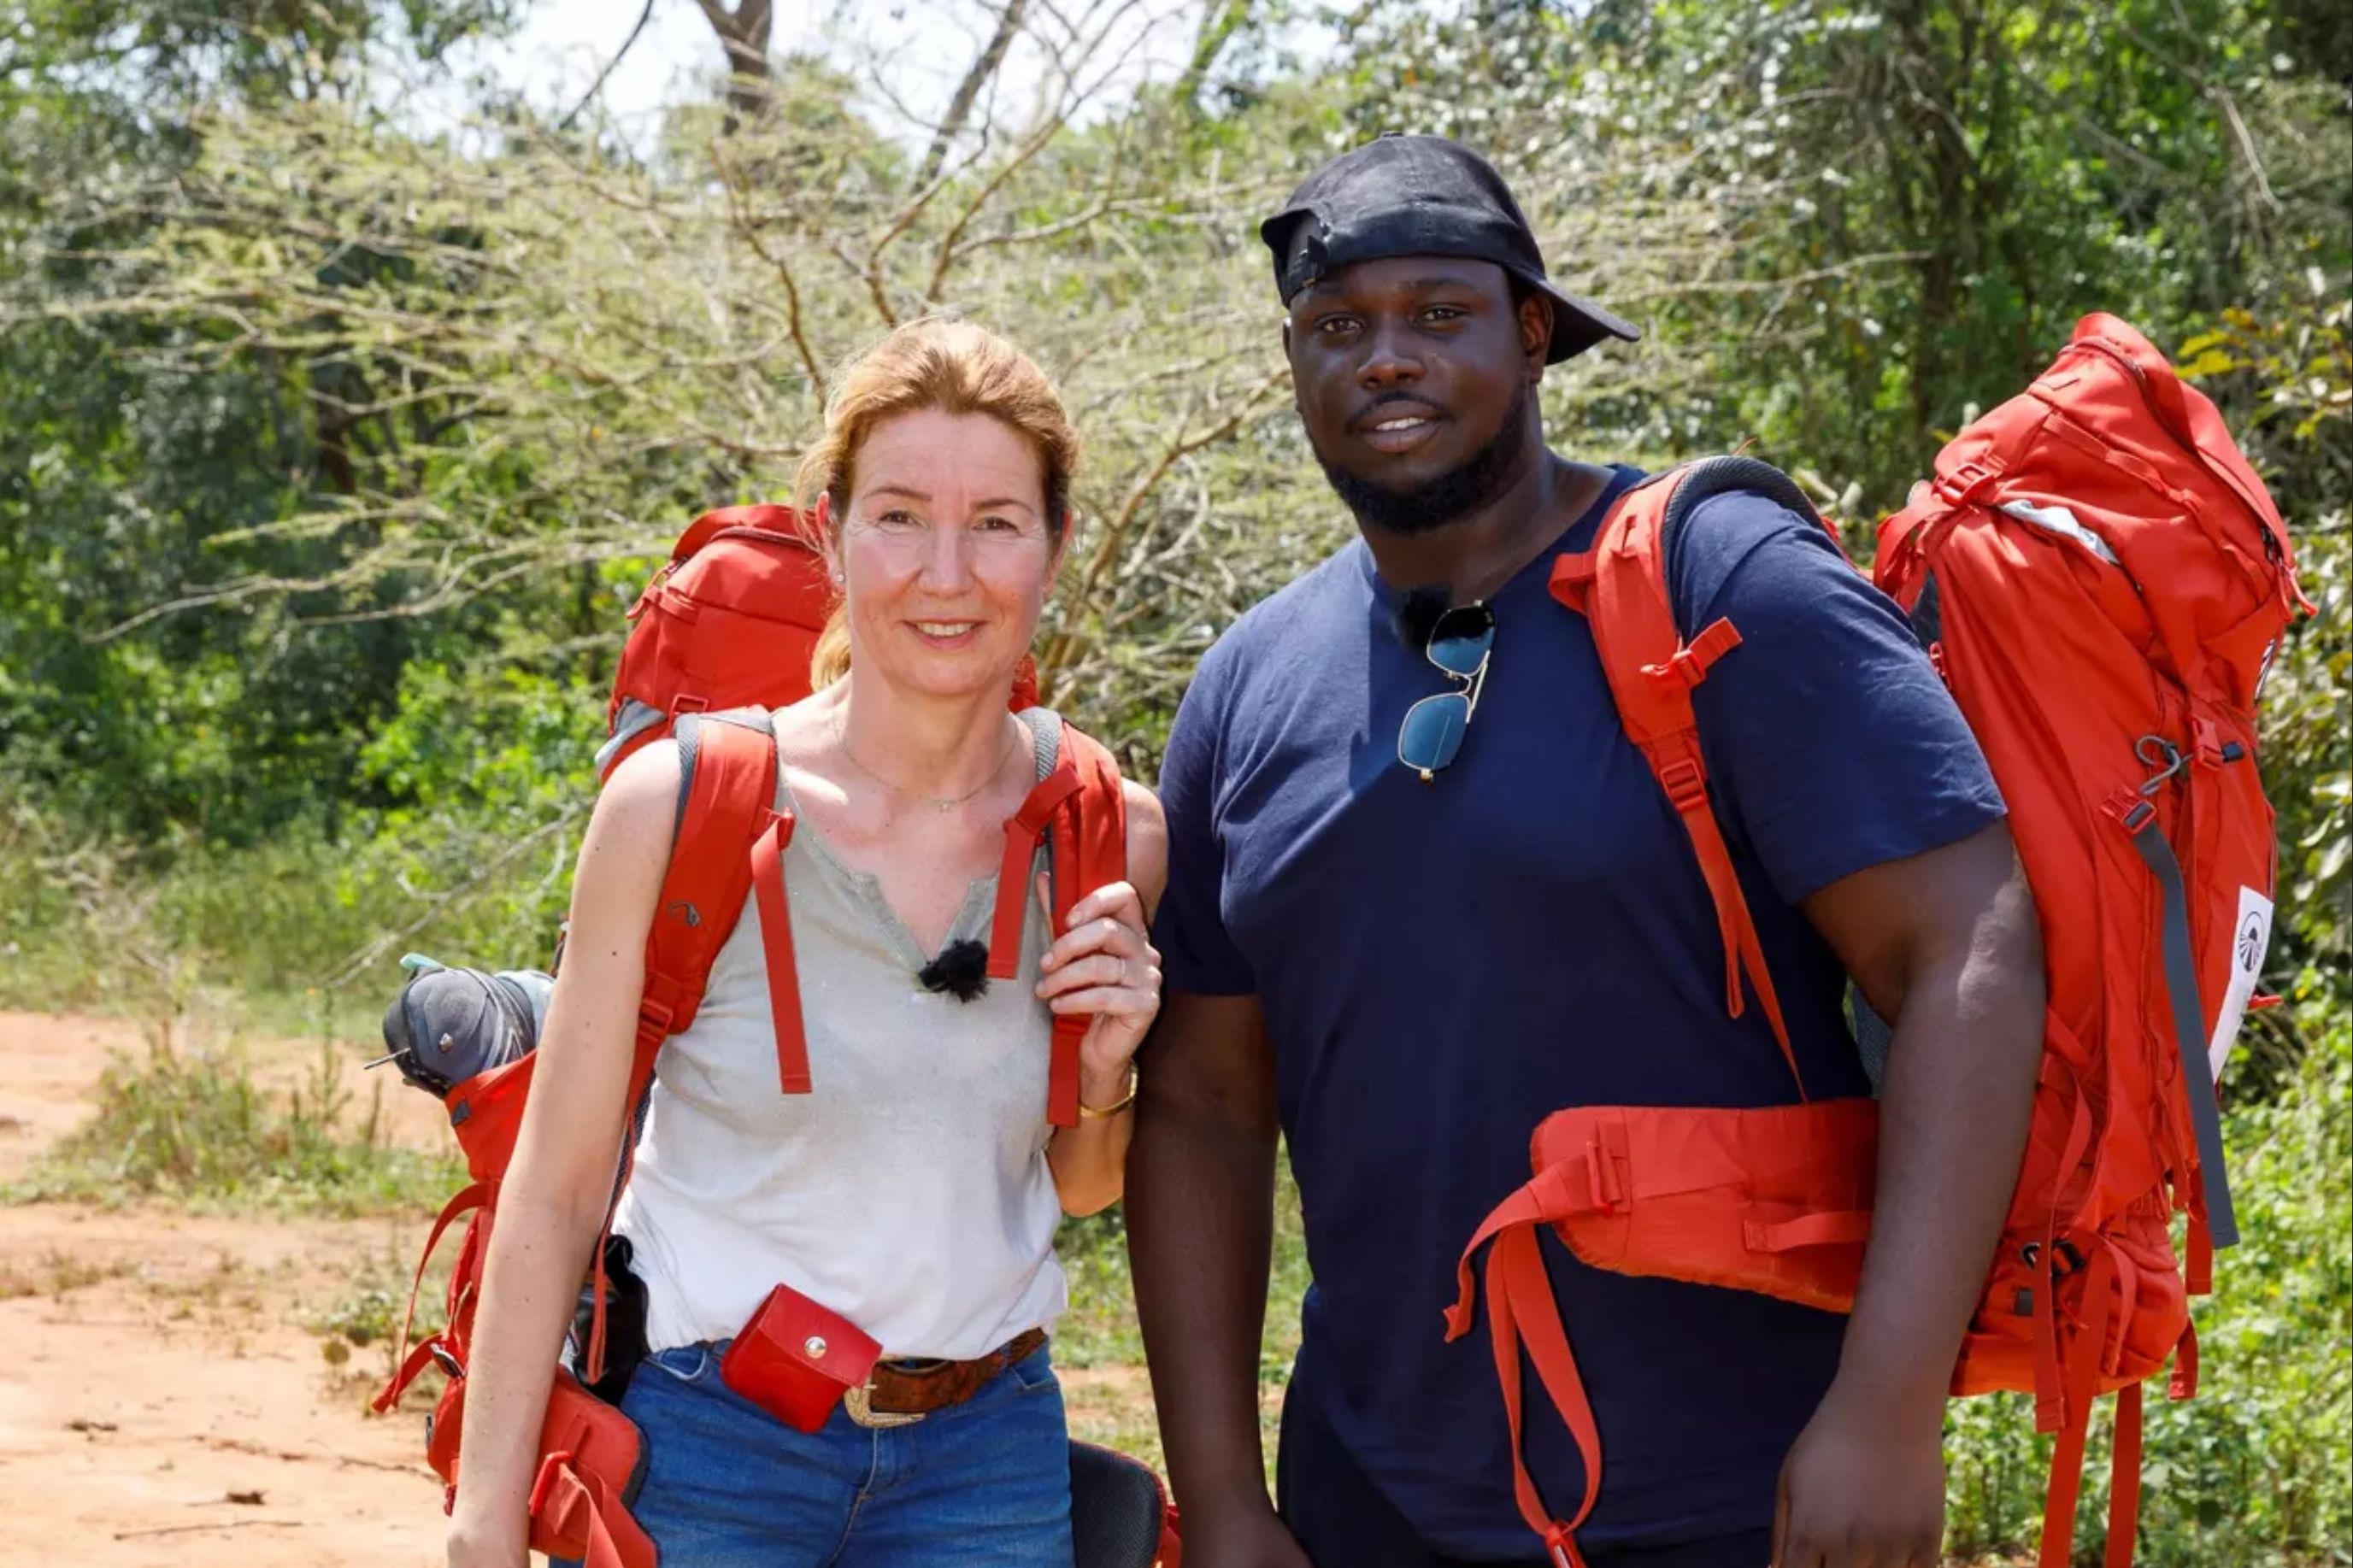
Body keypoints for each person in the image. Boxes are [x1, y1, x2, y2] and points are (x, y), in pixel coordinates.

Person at [1126, 133, 2044, 1568]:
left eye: (1439, 313)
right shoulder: (1248, 686)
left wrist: (1887, 1409)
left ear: (1533, 332)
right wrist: (1231, 1504)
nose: (1383, 360)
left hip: (1744, 1495)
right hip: (1366, 1496)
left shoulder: (1717, 582)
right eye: (1335, 327)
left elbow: (1966, 942)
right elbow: (1201, 1103)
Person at [445, 317, 1169, 1568]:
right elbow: (556, 1189)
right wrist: (481, 1525)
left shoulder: (1104, 830)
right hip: (711, 1450)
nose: (946, 574)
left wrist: (1105, 1078)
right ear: (829, 535)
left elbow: (1080, 1186)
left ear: (1054, 547)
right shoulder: (678, 811)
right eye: (898, 516)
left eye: (996, 522)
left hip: (982, 1463)